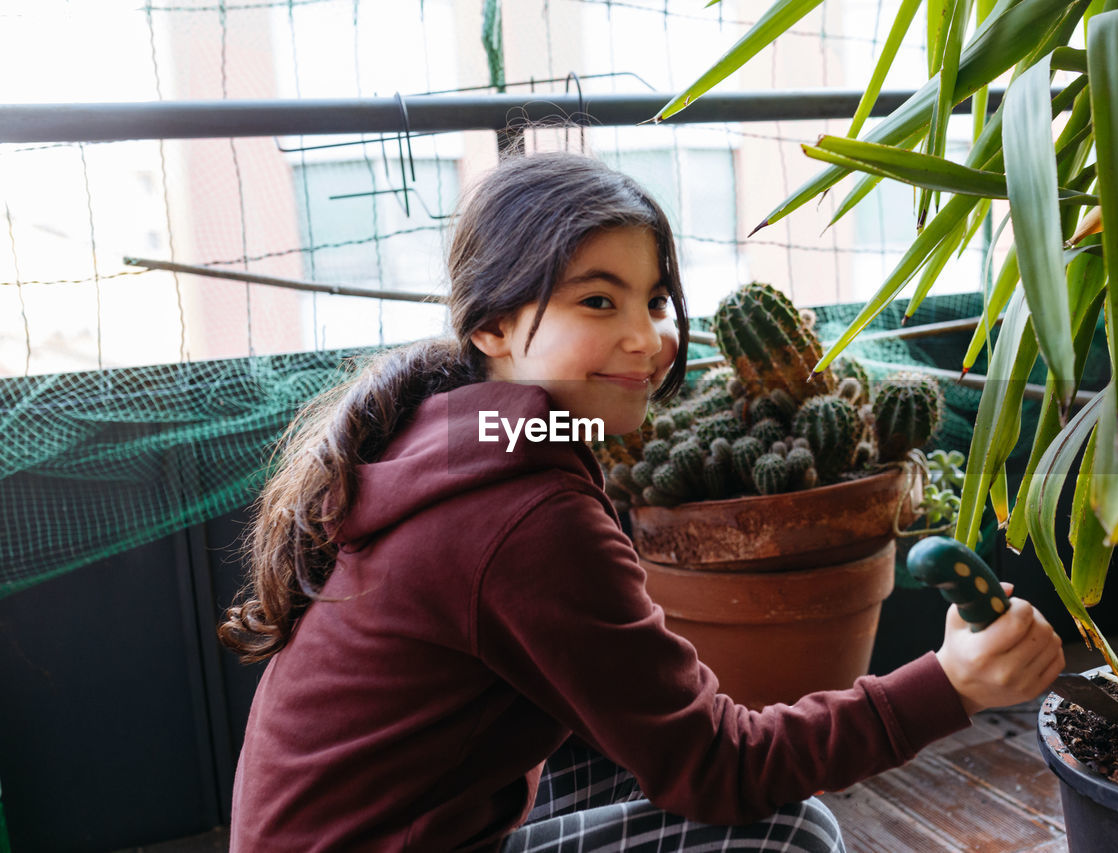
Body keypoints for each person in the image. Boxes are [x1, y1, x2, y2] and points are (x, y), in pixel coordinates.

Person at [220, 151, 1064, 852]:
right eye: (598, 300)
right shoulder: (521, 516)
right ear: (493, 328)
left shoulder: (459, 437)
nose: (647, 337)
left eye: (655, 299)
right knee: (789, 834)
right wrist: (951, 684)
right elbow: (720, 767)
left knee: (626, 751)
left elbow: (668, 736)